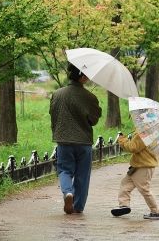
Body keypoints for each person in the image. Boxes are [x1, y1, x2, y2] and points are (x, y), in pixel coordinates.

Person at [49, 63, 102, 214]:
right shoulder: (90, 97)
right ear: (83, 77)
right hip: (83, 142)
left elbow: (53, 115)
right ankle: (78, 207)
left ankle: (68, 193)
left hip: (63, 140)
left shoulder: (57, 94)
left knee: (64, 170)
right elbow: (93, 120)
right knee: (82, 176)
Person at [110, 133, 159, 220]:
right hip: (138, 166)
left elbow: (133, 147)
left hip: (143, 166)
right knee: (125, 184)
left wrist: (123, 140)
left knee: (144, 189)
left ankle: (156, 212)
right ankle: (124, 205)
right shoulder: (151, 132)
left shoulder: (143, 134)